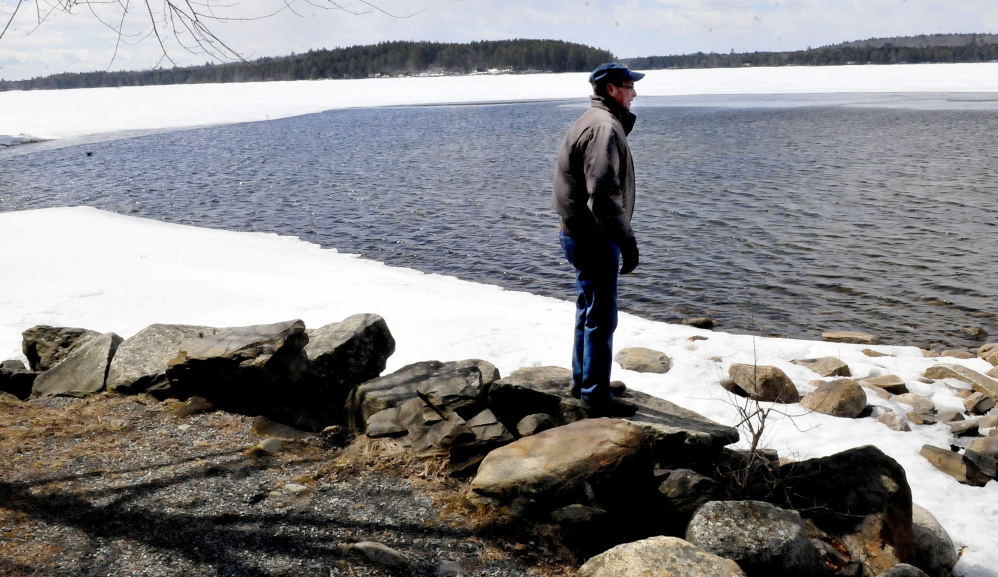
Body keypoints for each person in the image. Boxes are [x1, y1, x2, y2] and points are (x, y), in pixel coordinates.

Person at [552, 62, 644, 417]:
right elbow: (603, 195)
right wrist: (627, 241)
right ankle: (595, 395)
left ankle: (587, 380)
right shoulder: (603, 128)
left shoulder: (592, 120)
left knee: (588, 308)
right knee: (602, 317)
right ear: (610, 90)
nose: (634, 93)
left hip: (578, 234)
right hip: (593, 237)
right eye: (628, 86)